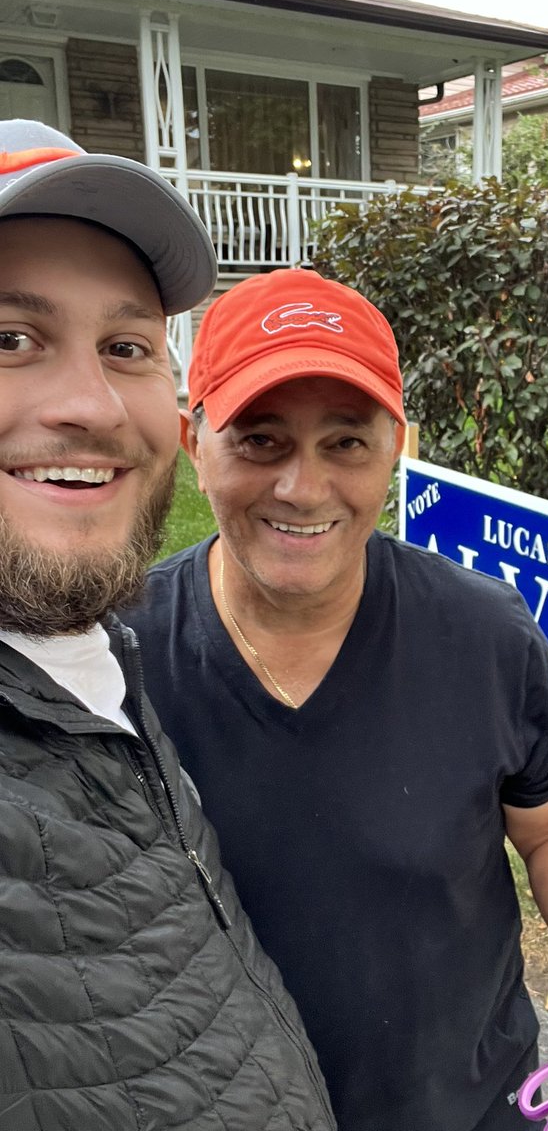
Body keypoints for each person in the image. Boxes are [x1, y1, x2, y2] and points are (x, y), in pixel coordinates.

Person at [124, 267, 548, 1130]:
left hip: (467, 1106)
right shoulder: (116, 662)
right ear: (195, 445)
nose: (303, 488)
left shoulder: (484, 636)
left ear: (397, 447)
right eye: (260, 440)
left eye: (346, 442)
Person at [0, 120, 335, 1131]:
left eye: (127, 347)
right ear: (202, 443)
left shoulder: (104, 654)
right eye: (10, 339)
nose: (95, 405)